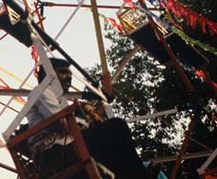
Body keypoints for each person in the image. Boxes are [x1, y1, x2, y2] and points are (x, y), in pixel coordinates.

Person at [22, 57, 153, 178]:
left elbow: (69, 124)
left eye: (70, 74)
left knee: (113, 149)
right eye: (63, 72)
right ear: (48, 75)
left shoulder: (58, 98)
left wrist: (88, 120)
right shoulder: (42, 90)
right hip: (53, 154)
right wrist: (87, 121)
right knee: (116, 127)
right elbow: (63, 122)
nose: (69, 77)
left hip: (66, 149)